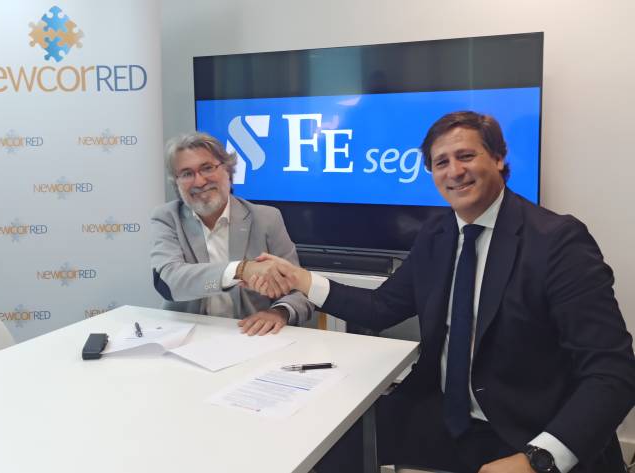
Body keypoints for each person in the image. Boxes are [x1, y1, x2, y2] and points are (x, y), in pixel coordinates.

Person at [246, 111, 635, 472]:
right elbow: (381, 307)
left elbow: (612, 371)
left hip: (527, 427)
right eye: (441, 162)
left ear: (498, 158)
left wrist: (540, 459)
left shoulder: (557, 241)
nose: (455, 171)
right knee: (322, 445)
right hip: (444, 412)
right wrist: (300, 280)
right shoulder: (437, 232)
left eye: (466, 156)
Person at [150, 132, 313, 335]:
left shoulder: (267, 218)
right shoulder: (167, 217)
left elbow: (300, 289)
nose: (199, 181)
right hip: (188, 336)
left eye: (207, 168)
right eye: (186, 174)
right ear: (176, 182)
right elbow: (170, 281)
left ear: (227, 169)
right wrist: (241, 270)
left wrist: (279, 312)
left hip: (248, 335)